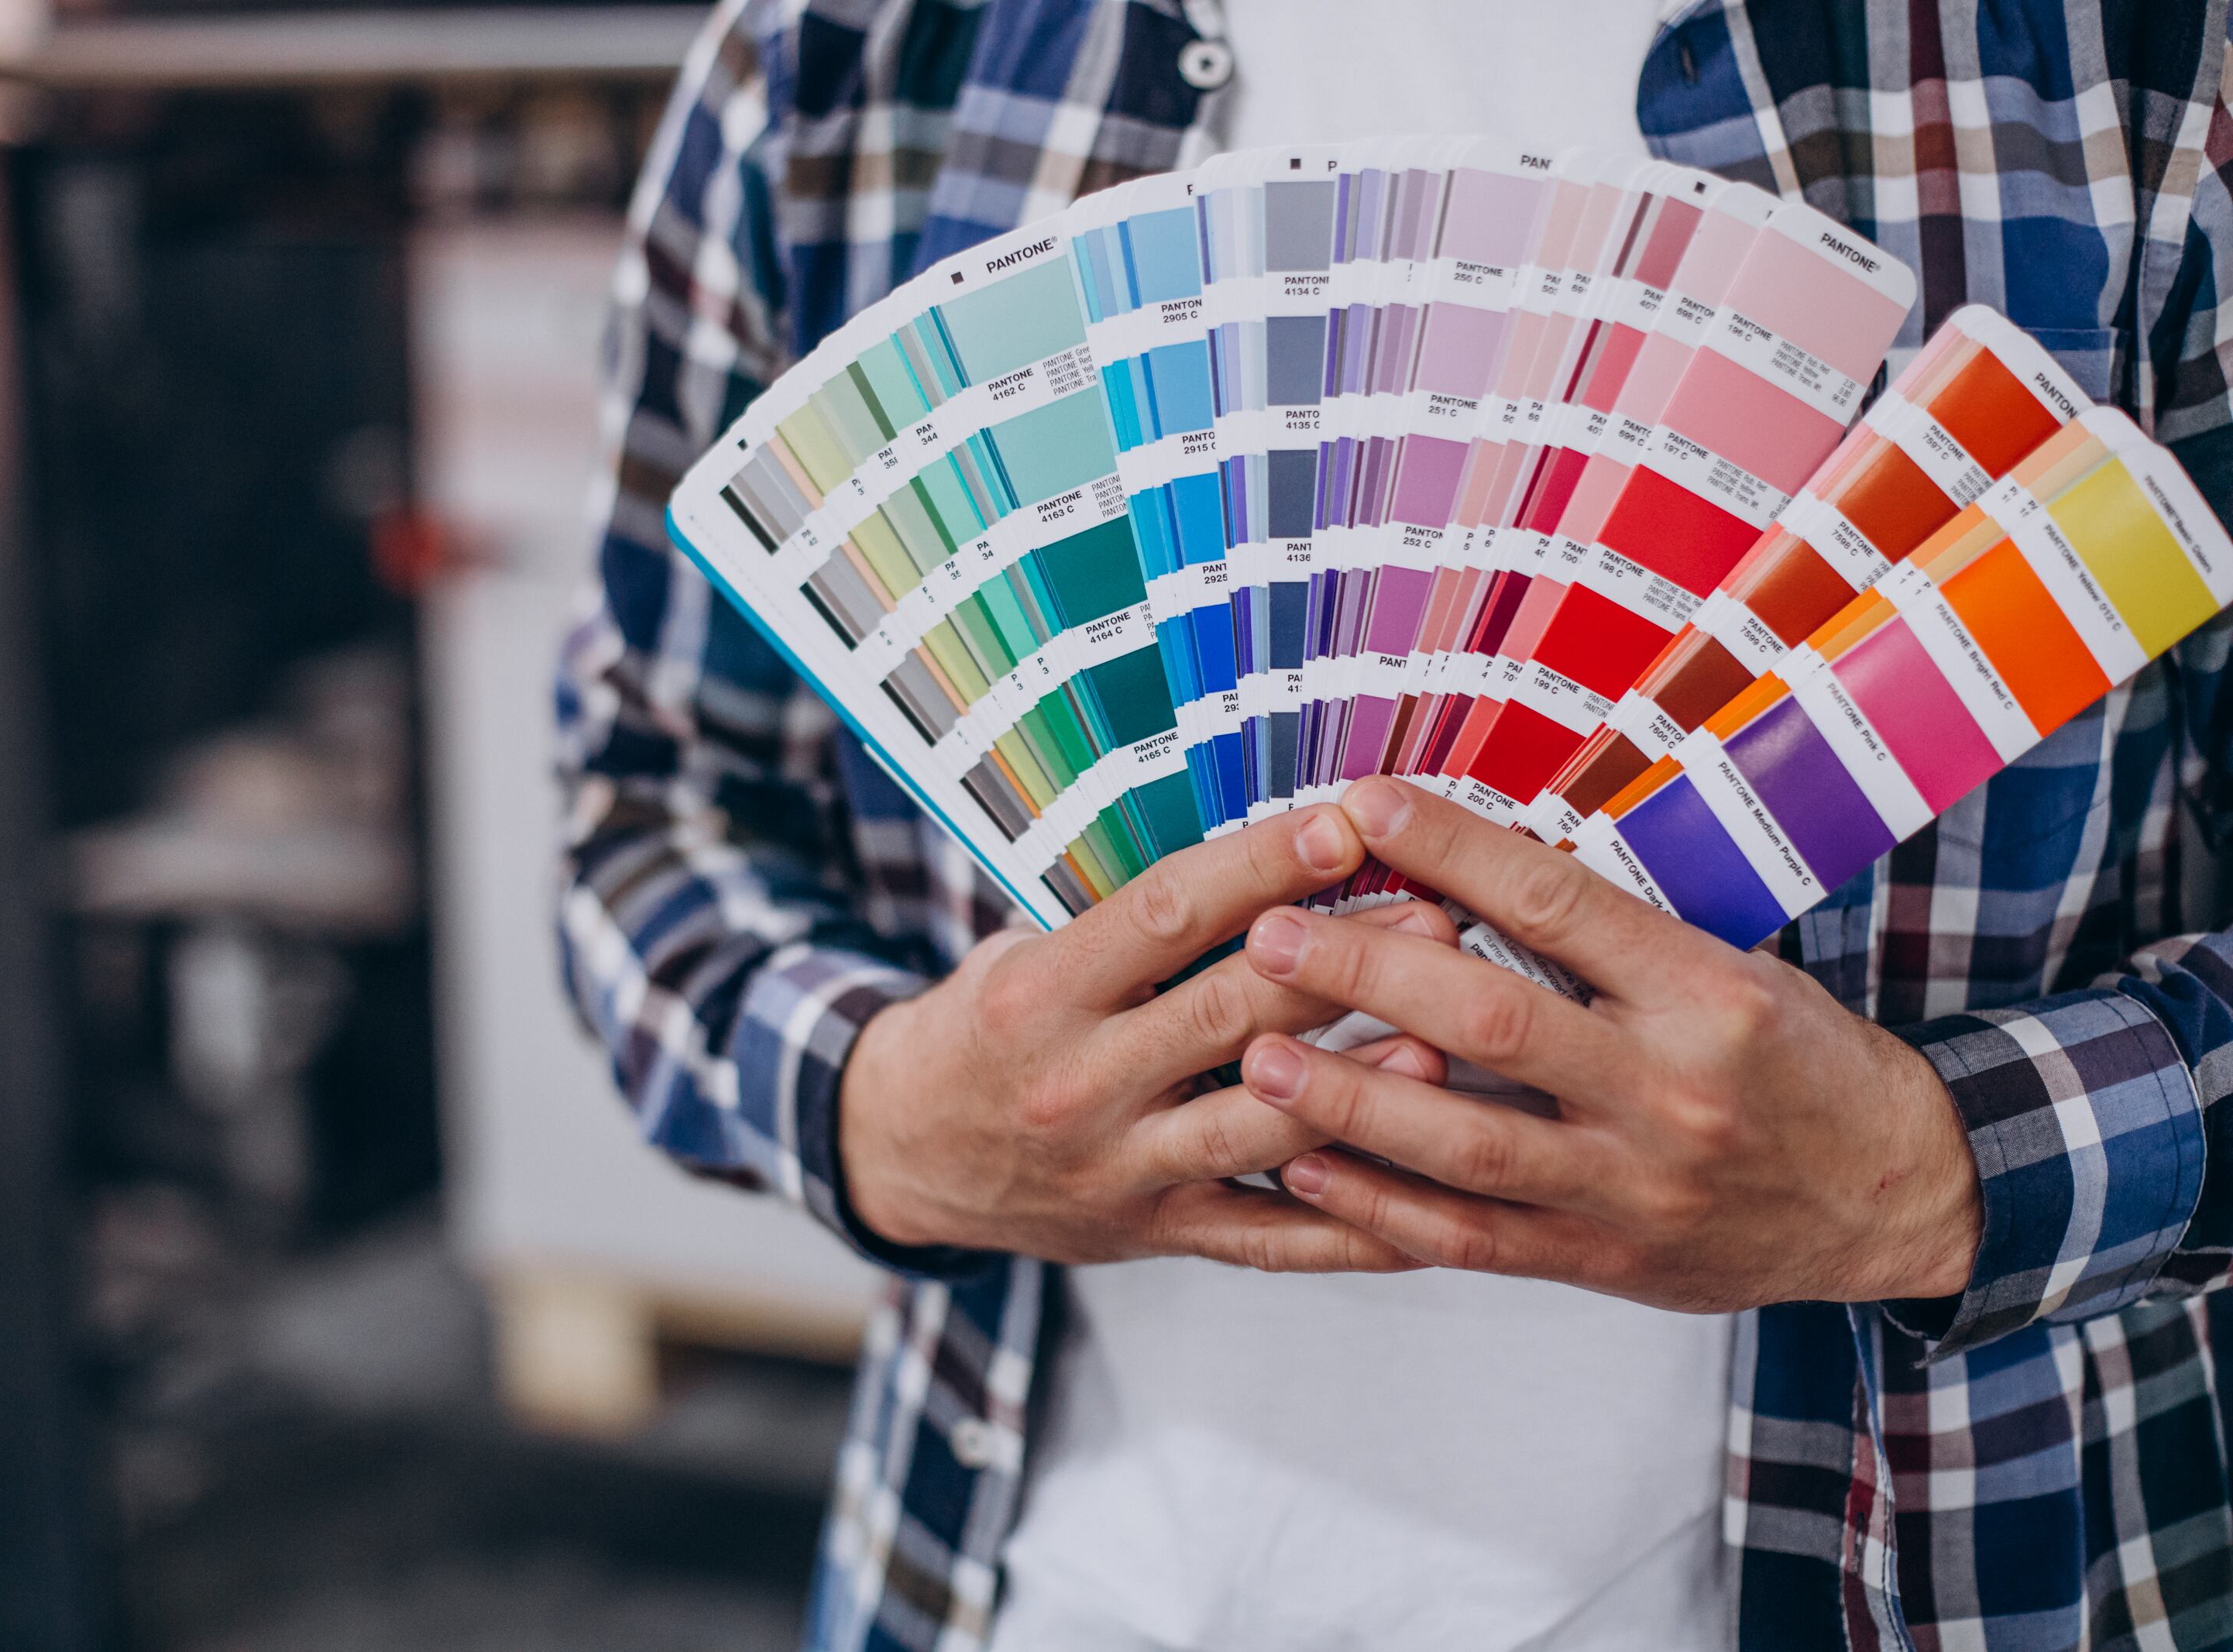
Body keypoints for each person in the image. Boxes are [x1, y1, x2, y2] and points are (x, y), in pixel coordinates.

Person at [556, 1, 2233, 1647]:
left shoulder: (2142, 60)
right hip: (1033, 1581)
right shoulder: (839, 54)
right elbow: (648, 809)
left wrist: (1925, 1173)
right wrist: (884, 1111)